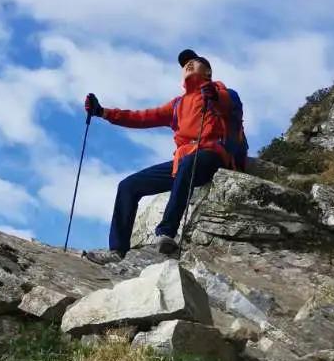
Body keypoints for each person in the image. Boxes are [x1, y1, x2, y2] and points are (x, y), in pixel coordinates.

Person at [84, 50, 239, 257]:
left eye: (195, 62)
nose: (188, 65)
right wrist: (102, 112)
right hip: (184, 160)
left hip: (212, 155)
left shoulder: (220, 91)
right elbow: (142, 117)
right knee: (128, 186)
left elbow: (228, 104)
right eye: (185, 64)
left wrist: (215, 96)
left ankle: (166, 233)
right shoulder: (177, 104)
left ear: (208, 71)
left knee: (188, 163)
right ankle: (117, 250)